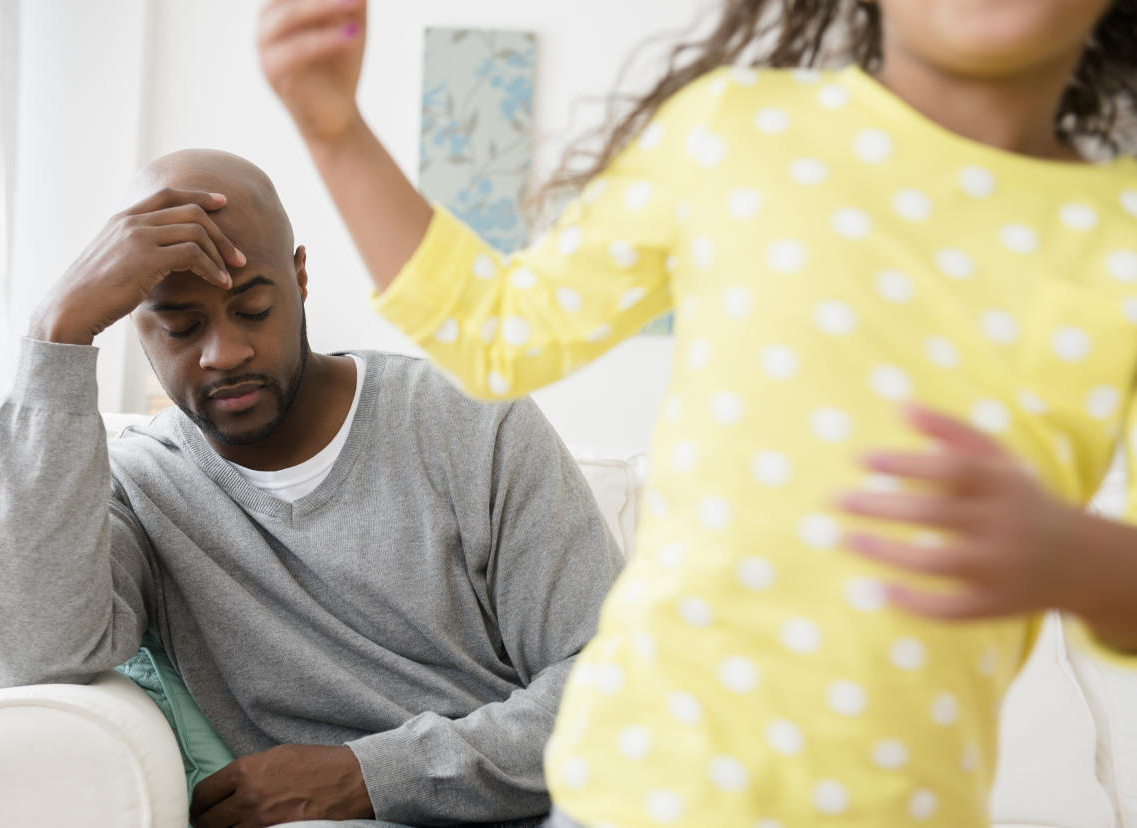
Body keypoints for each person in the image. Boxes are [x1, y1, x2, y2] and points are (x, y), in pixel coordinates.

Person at [257, 0, 1137, 824]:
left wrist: (1074, 558)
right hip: (647, 782)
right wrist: (336, 132)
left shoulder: (1121, 239)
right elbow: (498, 333)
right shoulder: (736, 132)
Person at [0, 147, 624, 828]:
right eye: (182, 326)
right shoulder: (139, 486)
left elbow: (616, 688)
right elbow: (29, 653)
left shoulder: (472, 421)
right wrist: (57, 334)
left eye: (252, 309)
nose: (225, 352)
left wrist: (366, 776)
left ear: (300, 279)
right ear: (137, 324)